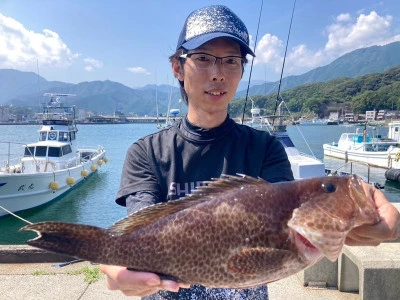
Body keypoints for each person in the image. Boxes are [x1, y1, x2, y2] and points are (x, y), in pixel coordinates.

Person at [100, 4, 400, 299]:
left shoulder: (266, 148)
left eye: (231, 61)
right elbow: (137, 235)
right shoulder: (147, 153)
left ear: (242, 70)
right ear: (178, 67)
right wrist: (109, 259)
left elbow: (286, 227)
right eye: (203, 58)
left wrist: (355, 214)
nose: (218, 74)